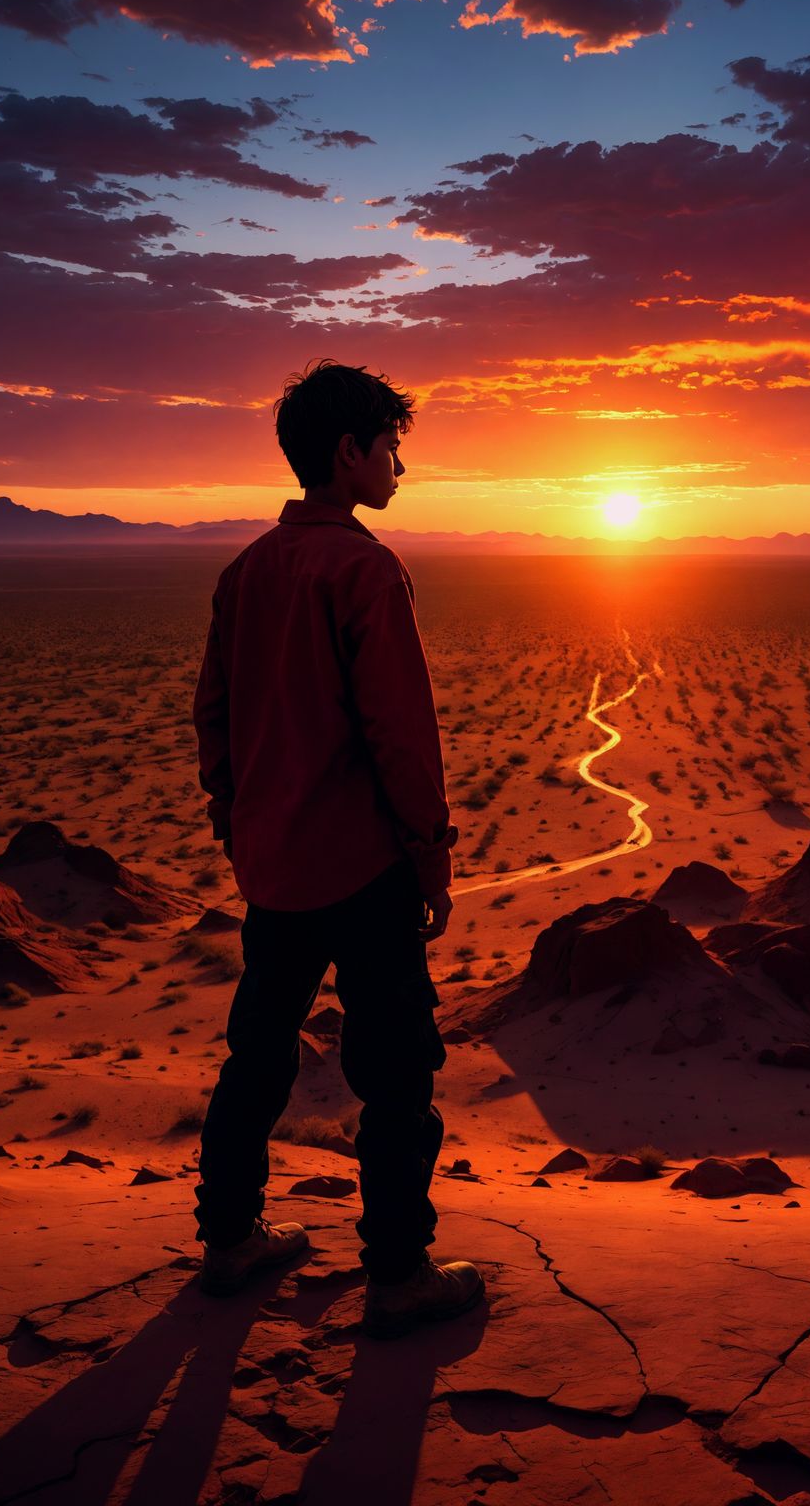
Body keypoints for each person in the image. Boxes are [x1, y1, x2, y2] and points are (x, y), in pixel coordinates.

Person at [190, 358, 484, 1338]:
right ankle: (400, 1272)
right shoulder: (365, 569)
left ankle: (229, 1240)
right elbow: (401, 731)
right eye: (391, 446)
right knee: (397, 1073)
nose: (400, 464)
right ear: (349, 452)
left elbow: (214, 717)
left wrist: (235, 819)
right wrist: (430, 850)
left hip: (274, 867)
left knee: (256, 1055)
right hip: (363, 867)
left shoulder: (245, 572)